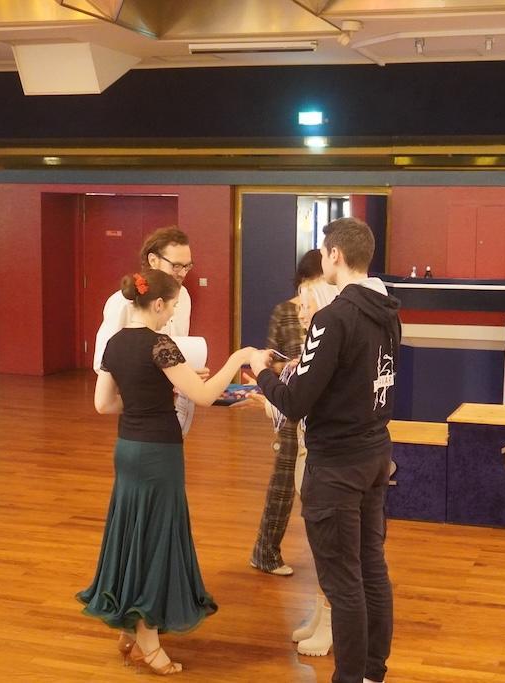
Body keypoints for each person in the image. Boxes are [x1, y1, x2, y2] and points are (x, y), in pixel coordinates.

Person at [78, 269, 256, 676]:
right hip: (159, 454)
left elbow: (104, 405)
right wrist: (238, 358)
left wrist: (154, 394)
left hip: (127, 450)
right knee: (156, 540)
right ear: (158, 304)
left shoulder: (115, 342)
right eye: (173, 305)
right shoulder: (161, 345)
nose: (174, 312)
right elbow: (205, 396)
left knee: (133, 535)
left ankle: (131, 629)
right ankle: (148, 640)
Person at [250, 217, 401, 683]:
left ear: (335, 255)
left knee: (344, 581)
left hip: (337, 464)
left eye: (323, 251)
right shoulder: (387, 310)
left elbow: (295, 402)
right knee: (371, 568)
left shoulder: (333, 317)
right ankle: (373, 672)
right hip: (374, 453)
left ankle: (349, 677)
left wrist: (261, 372)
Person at [244, 259, 339, 656]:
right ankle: (321, 612)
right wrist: (268, 400)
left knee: (330, 545)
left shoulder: (328, 347)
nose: (298, 313)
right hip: (307, 450)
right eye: (298, 303)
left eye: (305, 305)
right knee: (319, 540)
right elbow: (296, 405)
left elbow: (304, 403)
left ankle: (332, 621)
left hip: (325, 457)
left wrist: (264, 379)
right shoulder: (313, 348)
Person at [249, 249, 326, 577]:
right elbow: (271, 359)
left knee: (309, 483)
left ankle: (320, 554)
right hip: (288, 402)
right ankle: (265, 551)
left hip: (311, 407)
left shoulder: (331, 312)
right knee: (283, 480)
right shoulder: (285, 312)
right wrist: (290, 368)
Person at [93, 228, 204, 434]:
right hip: (140, 411)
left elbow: (173, 348)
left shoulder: (184, 296)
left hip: (171, 403)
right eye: (176, 265)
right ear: (153, 260)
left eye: (187, 266)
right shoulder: (122, 303)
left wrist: (185, 373)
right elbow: (104, 360)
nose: (182, 273)